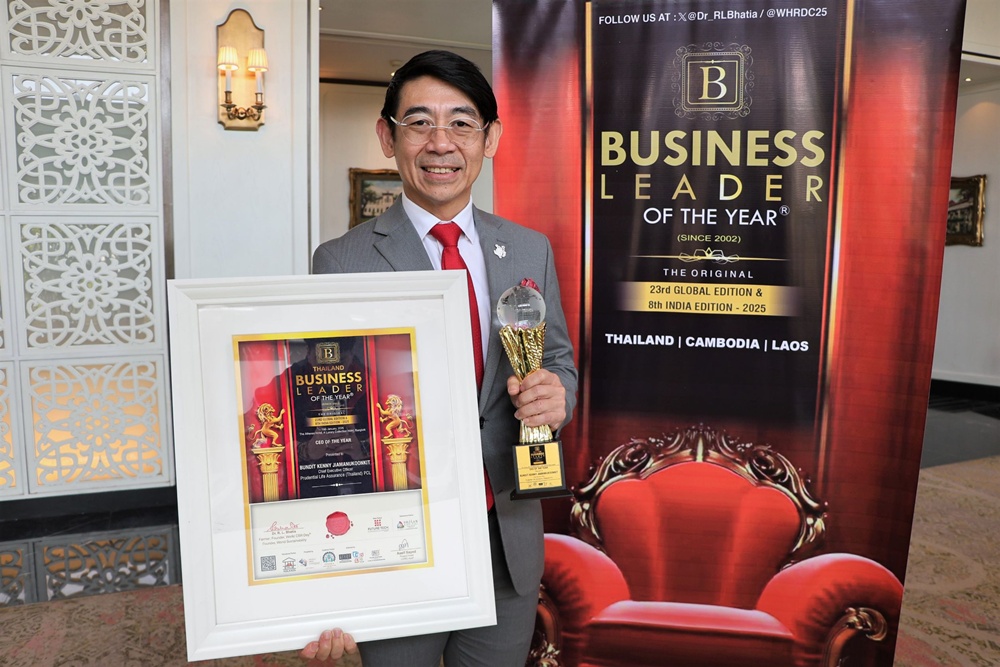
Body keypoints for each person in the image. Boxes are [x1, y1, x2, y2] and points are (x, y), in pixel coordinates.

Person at [301, 50, 578, 666]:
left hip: (505, 537)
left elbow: (559, 361)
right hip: (399, 544)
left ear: (490, 138)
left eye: (461, 123)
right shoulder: (341, 261)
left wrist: (557, 396)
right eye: (419, 122)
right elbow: (327, 420)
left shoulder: (528, 250)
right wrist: (323, 575)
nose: (441, 143)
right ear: (388, 137)